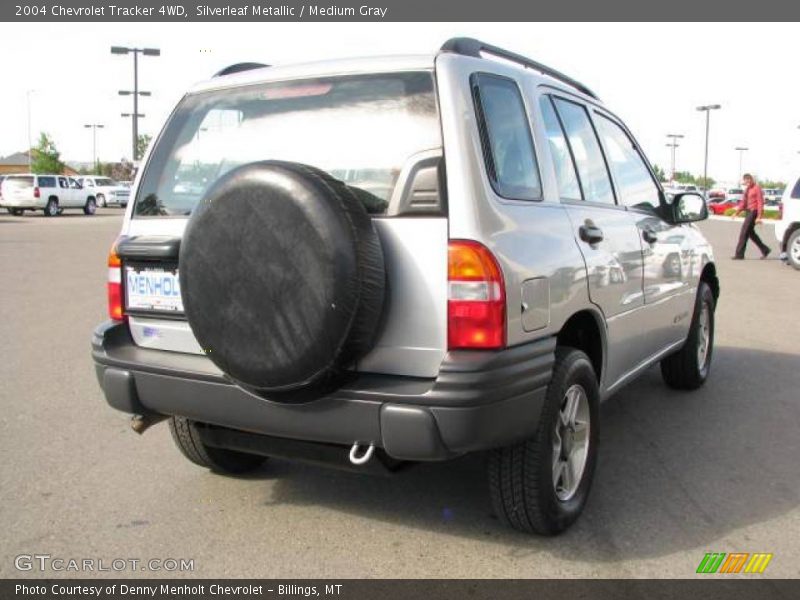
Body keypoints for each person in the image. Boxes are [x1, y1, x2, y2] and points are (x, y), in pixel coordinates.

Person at [731, 173, 771, 260]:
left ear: (752, 180)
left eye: (749, 179)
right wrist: (736, 212)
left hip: (754, 212)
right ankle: (765, 250)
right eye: (745, 180)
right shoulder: (747, 190)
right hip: (748, 212)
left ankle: (739, 254)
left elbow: (760, 202)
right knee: (750, 233)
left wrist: (759, 216)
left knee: (744, 232)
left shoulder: (757, 188)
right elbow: (743, 203)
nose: (747, 181)